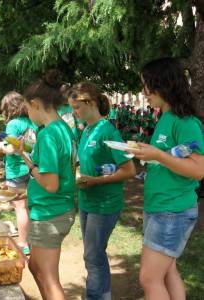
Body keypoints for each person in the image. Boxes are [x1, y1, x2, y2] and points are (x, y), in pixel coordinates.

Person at [128, 57, 204, 300]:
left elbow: (198, 169)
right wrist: (148, 153)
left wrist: (158, 155)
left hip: (172, 210)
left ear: (163, 85)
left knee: (149, 279)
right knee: (168, 272)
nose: (144, 92)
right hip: (160, 207)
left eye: (147, 86)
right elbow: (167, 157)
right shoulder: (165, 118)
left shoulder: (186, 123)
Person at [67, 82, 136, 300]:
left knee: (93, 255)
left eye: (77, 107)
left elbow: (129, 169)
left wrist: (95, 181)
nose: (74, 113)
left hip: (105, 203)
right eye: (72, 108)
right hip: (88, 200)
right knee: (93, 255)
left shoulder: (108, 131)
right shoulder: (87, 129)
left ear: (92, 103)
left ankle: (96, 296)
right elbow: (85, 160)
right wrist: (78, 172)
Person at [17, 71, 77, 300]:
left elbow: (51, 184)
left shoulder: (48, 135)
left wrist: (31, 169)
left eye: (28, 109)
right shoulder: (63, 128)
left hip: (52, 212)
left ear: (35, 104)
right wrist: (24, 156)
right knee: (35, 267)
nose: (29, 115)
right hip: (53, 209)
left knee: (49, 277)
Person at [0, 91, 37, 255]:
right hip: (32, 169)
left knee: (20, 207)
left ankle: (23, 243)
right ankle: (32, 240)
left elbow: (12, 148)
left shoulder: (13, 124)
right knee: (29, 206)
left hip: (16, 170)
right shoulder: (32, 122)